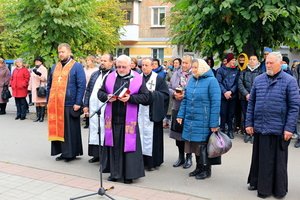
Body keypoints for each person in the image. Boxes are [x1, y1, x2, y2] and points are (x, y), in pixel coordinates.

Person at [246, 52, 300, 199]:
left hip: (279, 129)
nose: (268, 65)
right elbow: (251, 103)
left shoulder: (289, 81)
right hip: (261, 126)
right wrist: (249, 123)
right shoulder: (259, 80)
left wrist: (289, 128)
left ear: (280, 63)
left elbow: (294, 106)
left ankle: (278, 189)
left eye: (271, 63)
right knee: (261, 158)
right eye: (267, 63)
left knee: (278, 161)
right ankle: (259, 184)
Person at [98, 55, 150, 184]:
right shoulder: (110, 77)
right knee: (114, 147)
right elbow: (100, 93)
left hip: (129, 121)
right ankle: (115, 174)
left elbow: (146, 97)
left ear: (130, 66)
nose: (120, 69)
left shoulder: (137, 79)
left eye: (123, 67)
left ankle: (129, 175)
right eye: (118, 66)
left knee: (128, 148)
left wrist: (131, 99)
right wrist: (107, 96)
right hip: (113, 119)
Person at [177, 58, 221, 180]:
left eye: (196, 67)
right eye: (193, 67)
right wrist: (180, 115)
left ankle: (206, 170)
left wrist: (214, 123)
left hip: (204, 120)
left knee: (203, 146)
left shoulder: (212, 81)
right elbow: (185, 99)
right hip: (191, 118)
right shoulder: (192, 80)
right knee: (194, 145)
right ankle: (198, 167)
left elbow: (215, 103)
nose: (193, 69)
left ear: (202, 67)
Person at [47, 43, 86, 162]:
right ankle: (62, 152)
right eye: (59, 52)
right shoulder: (55, 67)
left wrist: (78, 102)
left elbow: (81, 85)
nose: (61, 54)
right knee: (59, 129)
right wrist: (48, 100)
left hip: (70, 103)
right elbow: (49, 85)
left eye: (63, 52)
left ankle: (71, 153)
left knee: (70, 130)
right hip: (55, 103)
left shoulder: (76, 66)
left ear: (69, 52)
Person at [138, 57, 169, 171]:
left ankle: (152, 162)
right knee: (140, 136)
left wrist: (153, 94)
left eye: (147, 65)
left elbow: (165, 95)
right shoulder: (137, 78)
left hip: (152, 113)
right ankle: (140, 160)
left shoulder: (158, 79)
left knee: (152, 137)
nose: (144, 67)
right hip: (139, 113)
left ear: (152, 66)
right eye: (143, 65)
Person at [83, 54, 114, 165]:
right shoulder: (95, 74)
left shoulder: (113, 75)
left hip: (106, 107)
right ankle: (96, 154)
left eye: (105, 60)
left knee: (104, 130)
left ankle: (105, 156)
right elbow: (88, 90)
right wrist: (85, 105)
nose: (102, 62)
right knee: (94, 129)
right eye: (101, 60)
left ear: (111, 62)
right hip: (93, 107)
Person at [169, 55, 193, 169]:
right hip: (177, 107)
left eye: (187, 63)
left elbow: (196, 90)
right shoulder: (176, 73)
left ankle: (189, 157)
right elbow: (169, 87)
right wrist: (174, 93)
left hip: (189, 108)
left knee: (187, 134)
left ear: (191, 64)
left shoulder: (194, 75)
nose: (184, 65)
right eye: (183, 62)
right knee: (177, 134)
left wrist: (185, 95)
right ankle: (180, 156)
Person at [238, 54, 262, 143]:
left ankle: (254, 134)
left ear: (257, 61)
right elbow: (240, 84)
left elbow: (262, 85)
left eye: (254, 59)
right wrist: (246, 94)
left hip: (257, 98)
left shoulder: (261, 73)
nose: (252, 61)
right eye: (250, 59)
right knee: (245, 115)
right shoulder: (243, 72)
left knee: (256, 115)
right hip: (245, 98)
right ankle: (247, 133)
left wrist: (253, 95)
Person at [216, 53, 239, 139]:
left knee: (231, 114)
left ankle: (230, 130)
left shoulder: (236, 71)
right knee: (223, 113)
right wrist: (225, 92)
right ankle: (222, 130)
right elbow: (218, 82)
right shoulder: (221, 70)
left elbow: (237, 83)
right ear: (229, 60)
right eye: (233, 60)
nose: (234, 61)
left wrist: (231, 91)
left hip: (232, 96)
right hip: (223, 96)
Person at [28, 56, 48, 122]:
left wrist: (39, 74)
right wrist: (29, 88)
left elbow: (45, 79)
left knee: (41, 102)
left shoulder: (44, 69)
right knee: (37, 103)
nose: (37, 62)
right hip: (34, 88)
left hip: (41, 87)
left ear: (41, 62)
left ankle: (41, 117)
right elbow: (31, 79)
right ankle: (38, 116)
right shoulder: (33, 68)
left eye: (38, 61)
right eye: (36, 61)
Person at [83, 55, 98, 129]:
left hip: (93, 88)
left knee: (91, 104)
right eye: (87, 61)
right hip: (86, 87)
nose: (87, 62)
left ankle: (92, 120)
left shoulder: (96, 70)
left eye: (89, 60)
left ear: (92, 61)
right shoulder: (85, 69)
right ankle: (87, 121)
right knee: (86, 104)